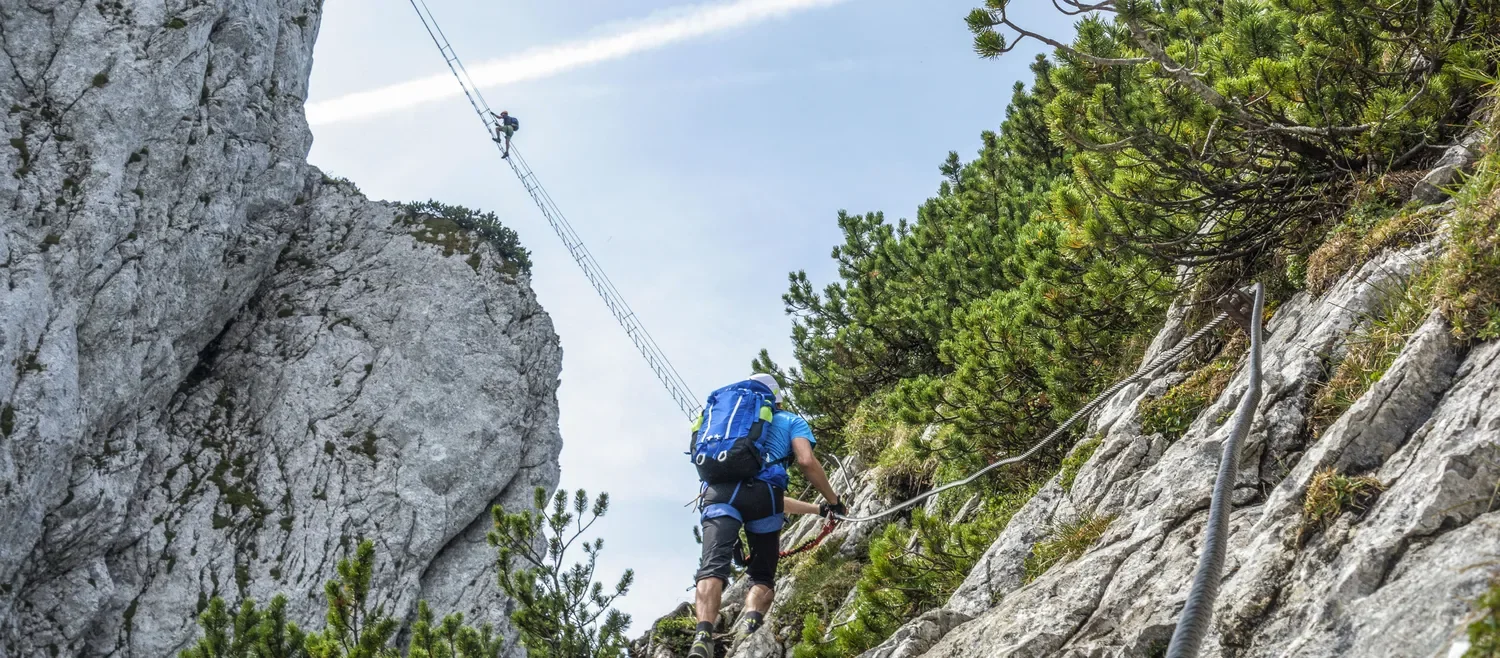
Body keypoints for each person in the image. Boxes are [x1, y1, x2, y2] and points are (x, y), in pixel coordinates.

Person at [687, 373, 845, 658]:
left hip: (719, 493)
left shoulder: (729, 425)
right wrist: (832, 502)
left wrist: (816, 510)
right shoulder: (790, 421)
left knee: (712, 567)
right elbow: (806, 461)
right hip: (764, 497)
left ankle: (702, 637)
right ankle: (748, 631)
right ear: (778, 400)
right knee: (762, 576)